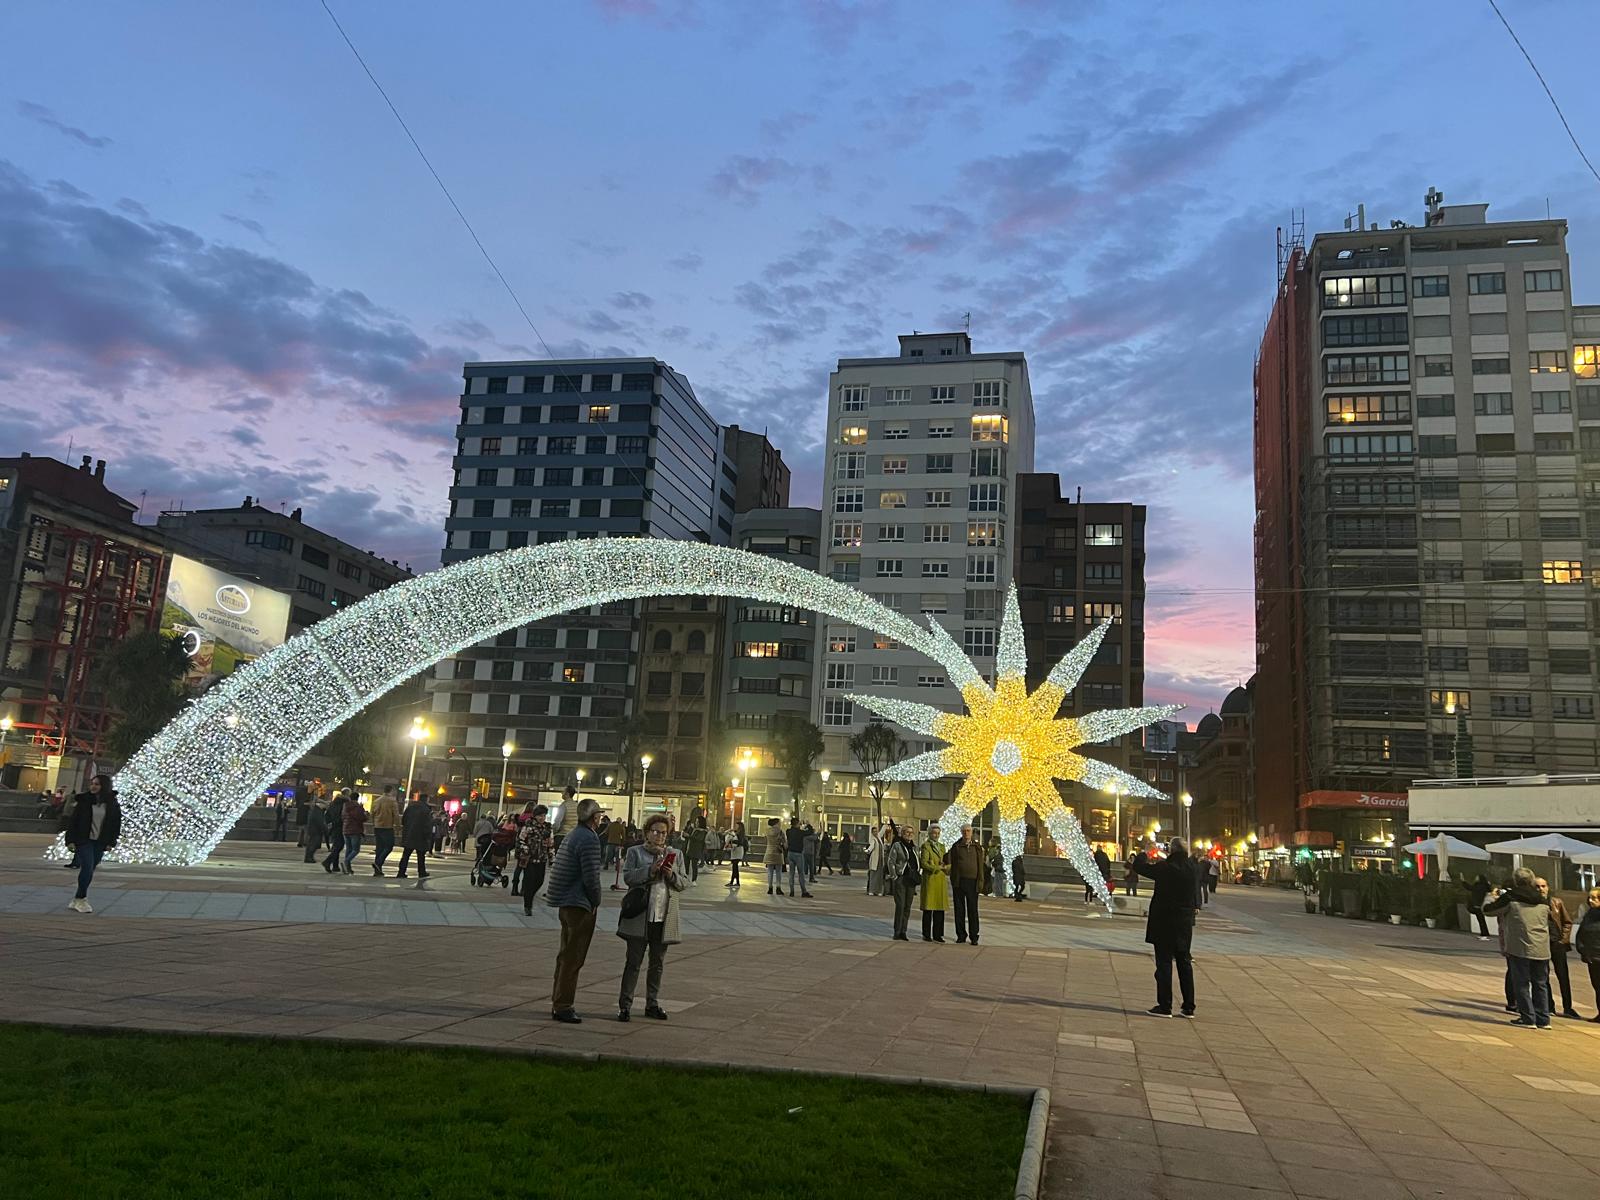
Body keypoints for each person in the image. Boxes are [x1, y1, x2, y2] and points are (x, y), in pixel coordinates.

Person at [616, 813, 686, 1022]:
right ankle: (625, 1005)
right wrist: (650, 870)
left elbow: (683, 883)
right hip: (640, 916)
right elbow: (628, 877)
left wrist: (670, 874)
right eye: (655, 832)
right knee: (633, 962)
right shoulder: (635, 852)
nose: (659, 836)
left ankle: (652, 1003)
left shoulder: (675, 854)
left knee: (657, 963)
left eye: (663, 833)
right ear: (647, 832)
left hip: (663, 916)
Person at [546, 797, 604, 1024]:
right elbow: (591, 876)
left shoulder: (573, 834)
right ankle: (563, 1005)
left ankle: (558, 999)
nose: (600, 818)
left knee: (565, 955)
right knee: (574, 957)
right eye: (598, 815)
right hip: (579, 904)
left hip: (565, 902)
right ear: (594, 817)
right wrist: (596, 900)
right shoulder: (589, 839)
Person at [1129, 838, 1200, 1018]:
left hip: (1164, 921)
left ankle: (1165, 1005)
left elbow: (1139, 867)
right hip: (1184, 923)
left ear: (1171, 850)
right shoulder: (1192, 868)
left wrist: (1145, 852)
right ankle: (1189, 1006)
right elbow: (1195, 891)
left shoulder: (1165, 868)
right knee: (1184, 962)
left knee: (1164, 963)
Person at [1485, 867, 1552, 1030]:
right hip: (1541, 947)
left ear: (1515, 881)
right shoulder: (1543, 899)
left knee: (1521, 983)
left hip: (1519, 946)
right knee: (1540, 983)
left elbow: (1488, 911)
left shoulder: (1510, 898)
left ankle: (1528, 1018)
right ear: (1532, 881)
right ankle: (1543, 1019)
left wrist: (1489, 897)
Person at [64, 773, 121, 913]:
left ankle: (77, 898)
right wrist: (70, 840)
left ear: (104, 786)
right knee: (87, 867)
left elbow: (115, 824)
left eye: (97, 784)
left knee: (91, 868)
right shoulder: (84, 801)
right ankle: (82, 899)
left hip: (100, 841)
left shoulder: (112, 803)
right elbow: (74, 821)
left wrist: (111, 842)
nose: (93, 786)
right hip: (84, 839)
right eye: (92, 784)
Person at [1538, 876, 1579, 1019]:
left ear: (1548, 887)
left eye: (1543, 886)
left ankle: (1568, 1007)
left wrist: (1564, 939)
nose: (1541, 889)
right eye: (1537, 886)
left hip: (1557, 944)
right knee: (1543, 976)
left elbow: (1567, 922)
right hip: (1541, 944)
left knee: (1563, 976)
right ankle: (1549, 1006)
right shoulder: (1534, 904)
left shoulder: (1556, 902)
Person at [947, 824, 984, 946]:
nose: (966, 833)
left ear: (971, 832)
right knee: (959, 910)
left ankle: (974, 936)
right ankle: (961, 935)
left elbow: (981, 866)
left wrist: (981, 881)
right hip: (959, 881)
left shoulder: (977, 847)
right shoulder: (956, 846)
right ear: (961, 832)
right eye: (964, 831)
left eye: (968, 831)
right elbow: (949, 861)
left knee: (973, 910)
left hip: (973, 882)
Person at [516, 805, 554, 915]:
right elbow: (520, 840)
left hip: (542, 859)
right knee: (529, 881)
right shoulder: (528, 826)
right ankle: (528, 905)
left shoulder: (548, 828)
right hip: (529, 859)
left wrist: (552, 858)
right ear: (535, 816)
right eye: (540, 816)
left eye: (544, 816)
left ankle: (529, 896)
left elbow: (550, 844)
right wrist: (526, 848)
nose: (542, 818)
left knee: (539, 881)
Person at [885, 822, 916, 940]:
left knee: (907, 906)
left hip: (911, 880)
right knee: (900, 905)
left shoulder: (914, 847)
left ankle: (904, 930)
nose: (909, 834)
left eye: (911, 832)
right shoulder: (897, 845)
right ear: (902, 833)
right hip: (901, 878)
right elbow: (891, 861)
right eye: (907, 832)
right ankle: (897, 931)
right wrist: (894, 876)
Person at [919, 825, 949, 942]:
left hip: (940, 880)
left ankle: (938, 934)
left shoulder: (942, 846)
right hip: (931, 880)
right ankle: (926, 934)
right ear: (929, 834)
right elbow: (924, 863)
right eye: (934, 833)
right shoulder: (926, 846)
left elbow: (946, 861)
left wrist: (946, 866)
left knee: (939, 909)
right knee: (928, 908)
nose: (936, 835)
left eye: (938, 833)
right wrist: (936, 867)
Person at [1575, 887, 1600, 1022]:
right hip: (1592, 957)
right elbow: (1581, 934)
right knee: (1597, 986)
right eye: (1589, 898)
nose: (1590, 900)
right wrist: (1582, 949)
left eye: (1594, 898)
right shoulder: (1589, 915)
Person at [396, 791, 432, 881]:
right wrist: (428, 836)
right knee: (421, 856)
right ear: (426, 799)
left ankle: (401, 872)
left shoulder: (410, 807)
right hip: (421, 836)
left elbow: (403, 820)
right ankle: (421, 872)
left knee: (406, 855)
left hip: (409, 834)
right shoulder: (426, 810)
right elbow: (427, 824)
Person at [370, 785, 400, 877]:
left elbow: (372, 813)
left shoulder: (376, 800)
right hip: (387, 826)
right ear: (391, 791)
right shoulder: (392, 801)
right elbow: (396, 814)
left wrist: (373, 823)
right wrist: (398, 826)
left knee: (379, 848)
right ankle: (378, 863)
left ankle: (377, 870)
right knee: (389, 846)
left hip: (377, 826)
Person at [785, 817, 813, 898]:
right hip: (798, 854)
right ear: (797, 823)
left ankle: (792, 891)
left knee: (791, 873)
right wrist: (808, 824)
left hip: (790, 853)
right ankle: (803, 891)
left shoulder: (788, 831)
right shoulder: (800, 832)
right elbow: (810, 832)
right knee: (801, 873)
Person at [341, 791, 368, 875]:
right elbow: (361, 818)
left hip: (346, 829)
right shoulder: (358, 807)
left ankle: (348, 868)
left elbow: (342, 817)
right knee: (355, 850)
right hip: (355, 830)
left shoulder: (345, 806)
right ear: (357, 798)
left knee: (348, 849)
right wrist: (366, 815)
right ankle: (346, 862)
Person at [322, 789, 348, 874]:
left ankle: (335, 866)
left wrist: (330, 823)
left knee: (336, 846)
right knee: (339, 846)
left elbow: (327, 815)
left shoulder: (333, 803)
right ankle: (327, 862)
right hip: (340, 826)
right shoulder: (345, 803)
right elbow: (343, 816)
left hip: (333, 827)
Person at [763, 817, 786, 894]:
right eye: (779, 822)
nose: (780, 824)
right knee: (778, 871)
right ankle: (778, 888)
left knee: (770, 871)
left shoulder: (767, 831)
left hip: (769, 851)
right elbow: (785, 842)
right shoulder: (780, 831)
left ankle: (770, 887)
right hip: (778, 852)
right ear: (776, 823)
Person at [1468, 874, 1493, 940]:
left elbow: (1471, 888)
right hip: (1480, 904)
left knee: (1481, 919)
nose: (1475, 878)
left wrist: (1463, 882)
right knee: (1481, 919)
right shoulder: (1484, 886)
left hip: (1478, 904)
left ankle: (1484, 933)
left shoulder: (1479, 886)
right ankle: (1484, 932)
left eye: (1477, 877)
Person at [304, 798, 328, 864]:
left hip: (314, 830)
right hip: (315, 830)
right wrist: (324, 828)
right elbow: (320, 821)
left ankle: (309, 857)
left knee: (312, 844)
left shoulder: (316, 810)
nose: (325, 806)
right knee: (313, 844)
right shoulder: (318, 811)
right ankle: (309, 857)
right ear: (320, 804)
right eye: (324, 805)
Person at [866, 823, 886, 895]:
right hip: (875, 860)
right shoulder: (873, 839)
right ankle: (871, 890)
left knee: (879, 876)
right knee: (873, 876)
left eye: (876, 831)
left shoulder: (879, 837)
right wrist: (868, 850)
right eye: (874, 831)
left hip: (880, 860)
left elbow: (882, 831)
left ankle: (878, 891)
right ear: (872, 832)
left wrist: (886, 823)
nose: (875, 832)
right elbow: (871, 846)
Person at [725, 820, 746, 889]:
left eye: (736, 826)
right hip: (737, 851)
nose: (735, 827)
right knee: (735, 867)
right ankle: (735, 882)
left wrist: (730, 842)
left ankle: (735, 882)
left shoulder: (739, 834)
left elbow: (737, 842)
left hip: (737, 851)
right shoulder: (738, 833)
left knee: (735, 867)